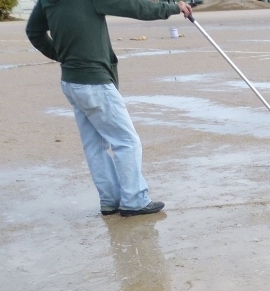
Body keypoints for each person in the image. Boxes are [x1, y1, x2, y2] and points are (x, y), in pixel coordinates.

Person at [26, 0, 192, 217]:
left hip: (72, 82)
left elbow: (33, 31)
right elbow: (135, 7)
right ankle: (134, 201)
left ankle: (110, 200)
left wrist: (65, 55)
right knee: (127, 141)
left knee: (95, 146)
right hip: (94, 82)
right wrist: (173, 7)